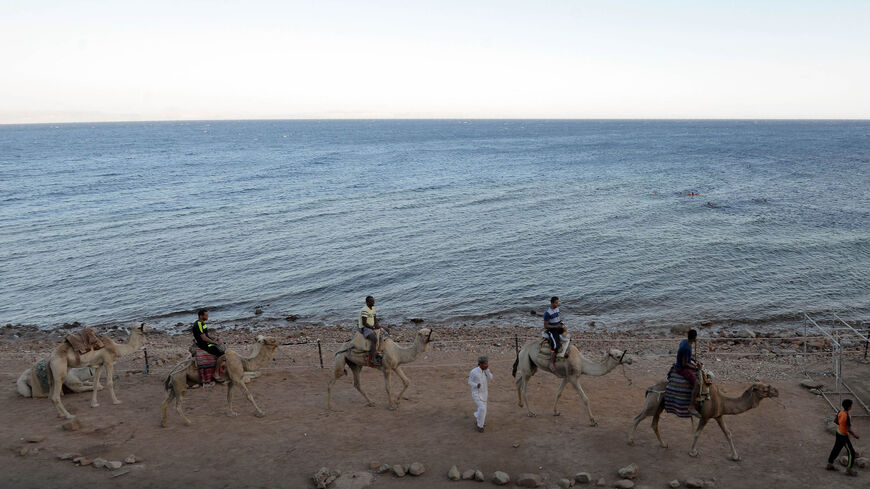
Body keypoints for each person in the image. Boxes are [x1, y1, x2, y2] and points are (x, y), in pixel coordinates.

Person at [827, 399, 860, 476]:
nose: (852, 406)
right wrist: (855, 435)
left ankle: (830, 464)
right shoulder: (847, 416)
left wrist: (841, 424)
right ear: (849, 407)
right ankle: (849, 470)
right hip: (843, 436)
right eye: (851, 405)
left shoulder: (840, 412)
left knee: (836, 449)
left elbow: (835, 421)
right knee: (851, 452)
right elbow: (848, 429)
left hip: (838, 432)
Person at [191, 309, 225, 382]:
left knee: (220, 344)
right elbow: (203, 338)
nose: (208, 316)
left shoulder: (202, 323)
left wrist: (214, 338)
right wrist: (214, 342)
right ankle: (216, 373)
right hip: (204, 345)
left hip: (206, 342)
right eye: (206, 315)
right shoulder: (199, 324)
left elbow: (205, 335)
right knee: (221, 354)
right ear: (201, 316)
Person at [675, 329, 701, 417]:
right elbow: (684, 364)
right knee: (697, 384)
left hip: (681, 364)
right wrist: (696, 367)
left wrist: (693, 360)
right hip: (681, 369)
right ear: (694, 338)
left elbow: (685, 358)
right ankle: (691, 407)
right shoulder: (687, 348)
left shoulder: (684, 341)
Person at [468, 356, 493, 433]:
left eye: (487, 363)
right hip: (476, 394)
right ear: (480, 364)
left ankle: (478, 417)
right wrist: (476, 385)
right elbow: (469, 382)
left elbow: (491, 378)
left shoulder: (485, 370)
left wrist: (487, 371)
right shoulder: (473, 372)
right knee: (482, 408)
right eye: (485, 364)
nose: (487, 365)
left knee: (484, 410)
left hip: (485, 393)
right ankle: (480, 425)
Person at [358, 296, 382, 367]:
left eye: (373, 301)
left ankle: (379, 351)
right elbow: (364, 323)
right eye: (371, 301)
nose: (373, 302)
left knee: (386, 331)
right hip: (364, 328)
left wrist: (377, 325)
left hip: (371, 326)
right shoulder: (364, 310)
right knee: (374, 338)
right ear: (367, 302)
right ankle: (373, 359)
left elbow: (375, 319)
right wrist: (373, 327)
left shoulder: (373, 308)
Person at [543, 297, 568, 362]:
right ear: (552, 303)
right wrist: (556, 326)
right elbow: (545, 325)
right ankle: (552, 360)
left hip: (558, 327)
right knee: (555, 346)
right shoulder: (547, 313)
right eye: (556, 303)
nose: (558, 304)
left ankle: (563, 351)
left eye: (558, 302)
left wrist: (561, 323)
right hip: (552, 330)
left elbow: (558, 319)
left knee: (568, 336)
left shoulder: (557, 309)